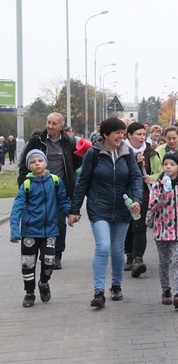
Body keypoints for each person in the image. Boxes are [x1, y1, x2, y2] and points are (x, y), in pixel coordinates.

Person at [70, 117, 143, 308]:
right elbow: (82, 182)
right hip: (98, 207)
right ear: (105, 134)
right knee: (103, 246)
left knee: (117, 250)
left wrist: (136, 200)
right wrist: (74, 210)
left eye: (122, 132)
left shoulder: (127, 153)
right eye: (117, 133)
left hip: (122, 207)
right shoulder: (93, 154)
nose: (121, 136)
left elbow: (135, 178)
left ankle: (116, 285)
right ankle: (99, 291)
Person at [18, 112, 81, 270]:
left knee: (59, 222)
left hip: (59, 189)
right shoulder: (37, 140)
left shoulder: (68, 142)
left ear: (61, 126)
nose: (50, 126)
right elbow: (25, 164)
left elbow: (76, 163)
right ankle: (43, 250)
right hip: (37, 189)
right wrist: (23, 185)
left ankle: (56, 255)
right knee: (40, 219)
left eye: (54, 124)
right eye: (48, 122)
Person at [10, 150, 72, 307]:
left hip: (50, 230)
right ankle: (29, 293)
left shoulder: (55, 181)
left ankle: (44, 282)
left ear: (45, 162)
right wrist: (14, 231)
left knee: (49, 261)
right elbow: (17, 208)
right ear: (29, 166)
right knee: (28, 263)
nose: (37, 163)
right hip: (30, 231)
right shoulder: (27, 185)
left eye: (39, 160)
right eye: (32, 162)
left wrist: (71, 214)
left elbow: (63, 201)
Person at [147, 152, 178, 309]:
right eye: (166, 165)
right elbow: (152, 206)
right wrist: (164, 191)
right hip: (161, 230)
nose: (168, 167)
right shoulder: (157, 186)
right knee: (164, 262)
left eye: (172, 164)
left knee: (177, 261)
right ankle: (166, 290)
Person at [123, 122, 154, 277]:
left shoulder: (150, 150)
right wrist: (134, 162)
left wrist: (152, 176)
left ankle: (138, 259)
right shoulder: (121, 150)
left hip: (143, 195)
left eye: (144, 134)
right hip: (124, 195)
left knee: (139, 226)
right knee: (128, 228)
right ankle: (129, 254)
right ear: (129, 135)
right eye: (138, 134)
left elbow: (159, 170)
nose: (142, 138)